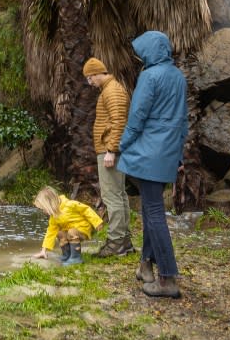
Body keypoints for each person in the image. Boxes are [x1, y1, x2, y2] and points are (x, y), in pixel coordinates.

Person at [118, 30, 188, 299]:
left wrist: (120, 145)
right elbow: (183, 122)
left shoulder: (149, 76)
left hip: (148, 154)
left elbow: (137, 117)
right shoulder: (178, 77)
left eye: (141, 51)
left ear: (149, 51)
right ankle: (145, 266)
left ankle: (167, 277)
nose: (139, 56)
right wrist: (178, 156)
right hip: (167, 153)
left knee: (155, 213)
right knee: (150, 209)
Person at [82, 57, 134, 257]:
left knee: (112, 196)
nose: (90, 83)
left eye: (89, 78)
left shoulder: (112, 91)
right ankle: (124, 241)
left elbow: (119, 120)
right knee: (119, 195)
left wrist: (111, 150)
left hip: (109, 151)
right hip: (110, 150)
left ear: (96, 73)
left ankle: (116, 243)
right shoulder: (111, 89)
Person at [32, 186, 104, 266]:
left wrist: (97, 223)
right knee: (59, 233)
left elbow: (87, 210)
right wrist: (43, 250)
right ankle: (67, 255)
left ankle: (76, 258)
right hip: (70, 232)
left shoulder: (70, 204)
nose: (43, 211)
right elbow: (50, 232)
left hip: (83, 229)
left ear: (49, 204)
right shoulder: (54, 217)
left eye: (43, 209)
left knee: (71, 232)